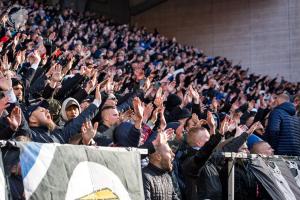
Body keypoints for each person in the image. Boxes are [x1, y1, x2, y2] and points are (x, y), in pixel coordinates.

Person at [142, 132, 179, 200]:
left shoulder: (167, 177)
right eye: (169, 152)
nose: (173, 155)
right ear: (158, 156)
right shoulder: (144, 176)